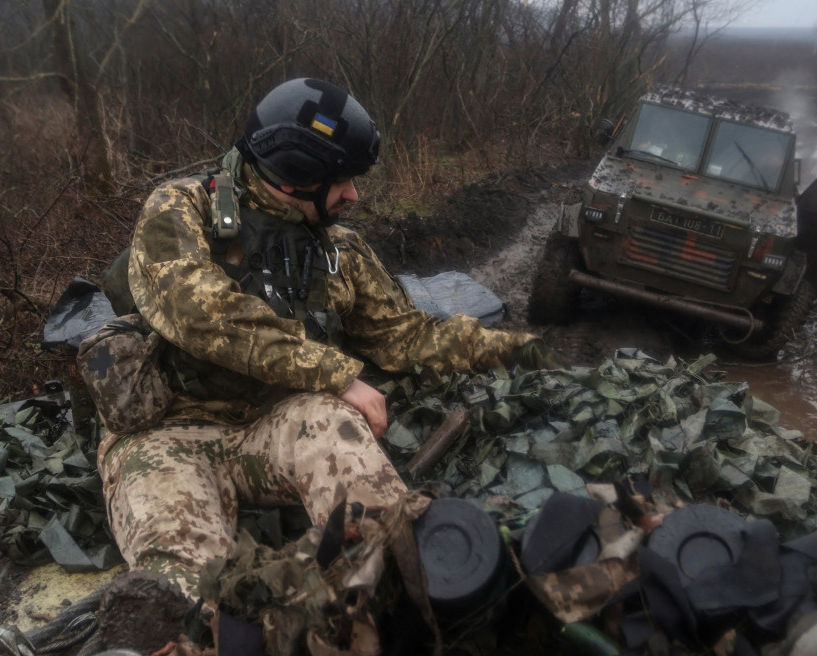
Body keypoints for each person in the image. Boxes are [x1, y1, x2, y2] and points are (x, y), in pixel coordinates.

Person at [92, 78, 540, 604]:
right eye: (342, 181)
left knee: (338, 430)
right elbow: (204, 314)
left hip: (275, 426)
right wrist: (339, 374)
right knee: (186, 595)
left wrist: (513, 348)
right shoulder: (181, 209)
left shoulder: (340, 251)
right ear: (295, 176)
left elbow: (407, 337)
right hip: (168, 432)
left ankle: (403, 587)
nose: (354, 195)